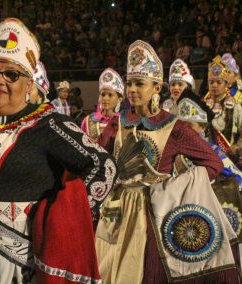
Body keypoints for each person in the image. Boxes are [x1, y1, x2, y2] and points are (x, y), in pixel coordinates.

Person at [0, 18, 117, 283]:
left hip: (15, 261)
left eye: (11, 74)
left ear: (29, 84)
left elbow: (105, 167)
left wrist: (57, 219)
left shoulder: (47, 123)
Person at [96, 40, 239, 283]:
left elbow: (213, 163)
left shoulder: (175, 128)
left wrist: (173, 190)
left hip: (154, 218)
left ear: (156, 87)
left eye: (139, 84)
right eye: (129, 83)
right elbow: (99, 162)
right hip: (115, 217)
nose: (132, 90)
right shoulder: (116, 124)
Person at [176, 89, 242, 243]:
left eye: (189, 125)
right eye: (181, 125)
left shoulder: (213, 152)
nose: (185, 131)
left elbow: (239, 180)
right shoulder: (172, 149)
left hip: (206, 215)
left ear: (203, 127)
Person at [203, 56, 242, 165]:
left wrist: (237, 146)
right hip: (206, 160)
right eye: (211, 82)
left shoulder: (236, 107)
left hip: (229, 161)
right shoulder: (201, 106)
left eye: (219, 82)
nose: (214, 85)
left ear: (226, 84)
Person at [81, 68, 124, 141]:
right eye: (103, 94)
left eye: (110, 95)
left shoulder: (124, 122)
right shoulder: (88, 121)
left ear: (119, 100)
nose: (105, 98)